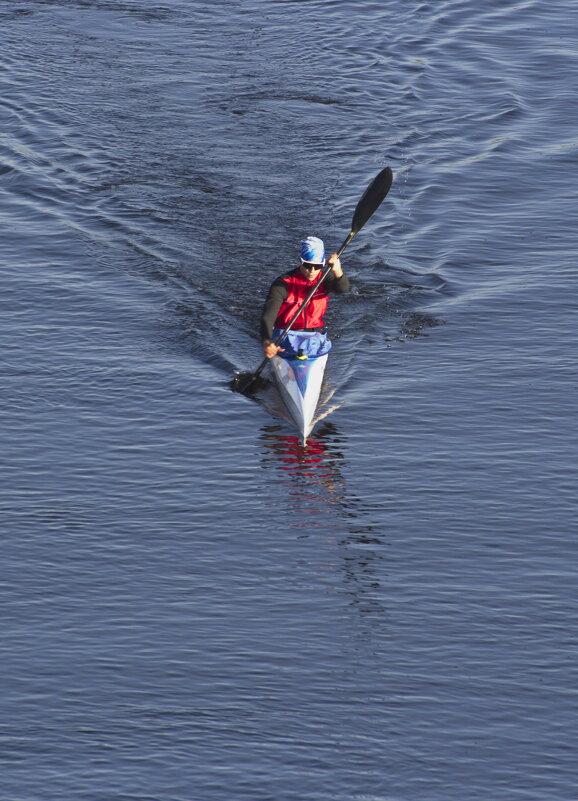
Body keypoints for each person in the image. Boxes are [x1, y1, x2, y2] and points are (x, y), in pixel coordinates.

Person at [260, 236, 349, 360]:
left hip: (314, 335)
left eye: (317, 266)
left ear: (323, 264)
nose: (312, 271)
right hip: (285, 335)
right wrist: (267, 342)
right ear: (301, 262)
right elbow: (268, 317)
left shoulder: (324, 279)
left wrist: (338, 271)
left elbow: (342, 289)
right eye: (307, 265)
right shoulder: (282, 283)